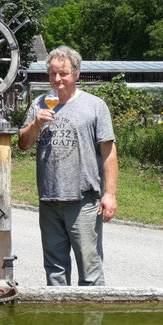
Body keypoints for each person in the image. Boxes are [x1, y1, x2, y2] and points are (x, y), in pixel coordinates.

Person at [18, 46, 118, 286]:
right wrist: (35, 124)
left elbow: (108, 152)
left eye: (62, 73)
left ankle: (91, 321)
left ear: (76, 74)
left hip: (83, 199)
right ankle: (60, 321)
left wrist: (110, 194)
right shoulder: (39, 104)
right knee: (54, 268)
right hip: (49, 199)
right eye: (52, 74)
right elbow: (23, 144)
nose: (57, 79)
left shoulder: (95, 106)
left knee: (90, 268)